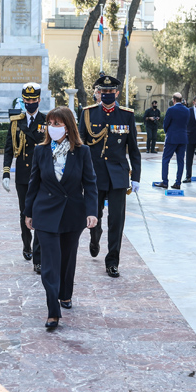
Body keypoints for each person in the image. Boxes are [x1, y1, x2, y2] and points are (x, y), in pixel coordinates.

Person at [24, 107, 98, 329]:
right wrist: (28, 213)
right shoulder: (40, 150)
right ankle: (52, 311)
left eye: (57, 124)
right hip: (45, 213)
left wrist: (91, 211)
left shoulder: (82, 151)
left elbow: (90, 183)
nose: (53, 128)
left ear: (68, 126)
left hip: (72, 213)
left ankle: (65, 294)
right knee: (49, 263)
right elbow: (33, 184)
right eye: (50, 123)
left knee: (67, 258)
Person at [78, 75, 141, 278]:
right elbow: (79, 147)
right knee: (94, 216)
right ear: (98, 92)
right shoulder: (87, 114)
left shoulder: (126, 115)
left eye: (110, 92)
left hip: (118, 175)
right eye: (103, 92)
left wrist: (136, 177)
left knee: (117, 220)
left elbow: (133, 148)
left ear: (117, 92)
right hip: (94, 175)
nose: (106, 95)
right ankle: (95, 238)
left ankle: (112, 261)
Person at [2, 82, 46, 273]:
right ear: (23, 100)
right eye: (27, 100)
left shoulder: (47, 121)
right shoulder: (15, 122)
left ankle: (38, 256)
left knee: (40, 215)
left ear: (39, 100)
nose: (30, 103)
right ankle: (26, 244)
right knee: (25, 212)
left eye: (33, 100)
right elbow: (9, 149)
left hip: (42, 176)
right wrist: (5, 173)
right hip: (22, 175)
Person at [158, 92, 187, 189]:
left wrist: (168, 132)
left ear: (173, 100)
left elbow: (166, 123)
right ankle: (178, 182)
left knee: (166, 159)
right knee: (180, 161)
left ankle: (165, 182)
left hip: (172, 137)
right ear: (181, 100)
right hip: (183, 138)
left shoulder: (171, 109)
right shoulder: (187, 110)